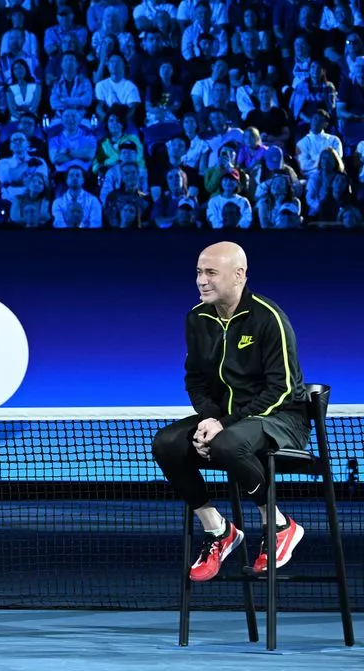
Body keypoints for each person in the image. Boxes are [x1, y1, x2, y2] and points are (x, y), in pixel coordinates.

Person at [152, 242, 308, 583]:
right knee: (166, 443)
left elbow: (280, 388)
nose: (201, 281)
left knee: (227, 444)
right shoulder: (198, 319)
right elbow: (195, 380)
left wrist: (223, 425)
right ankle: (218, 530)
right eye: (198, 272)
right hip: (228, 422)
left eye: (211, 273)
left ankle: (279, 525)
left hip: (281, 419)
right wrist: (210, 419)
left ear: (239, 275)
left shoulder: (269, 318)